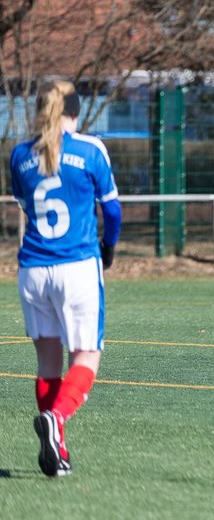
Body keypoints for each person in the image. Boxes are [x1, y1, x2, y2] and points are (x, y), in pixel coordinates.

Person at [10, 80, 121, 477]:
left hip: (32, 270)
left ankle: (56, 453)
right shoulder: (91, 149)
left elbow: (26, 207)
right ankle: (57, 421)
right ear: (75, 111)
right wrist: (109, 247)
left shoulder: (20, 154)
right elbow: (112, 211)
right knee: (87, 356)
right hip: (76, 265)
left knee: (47, 364)